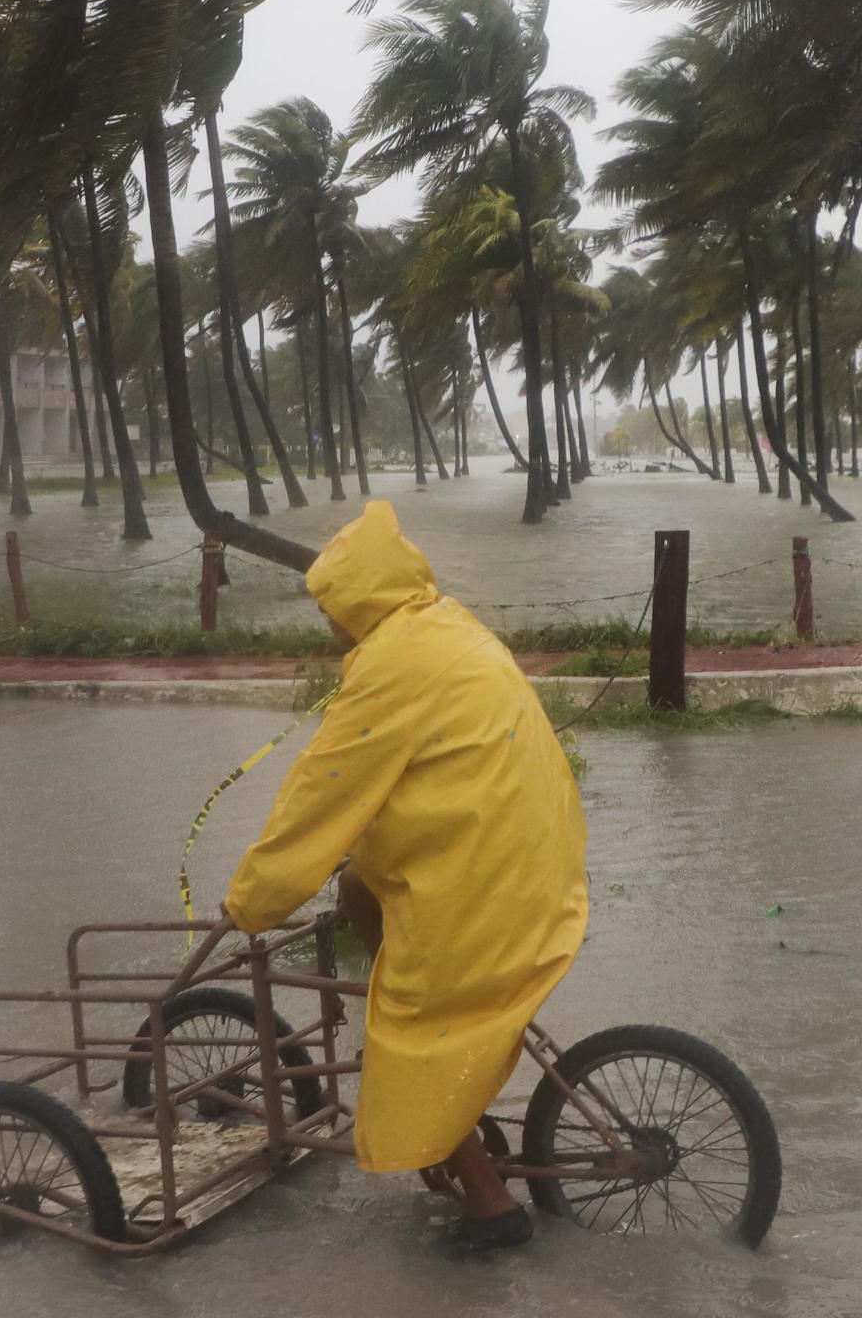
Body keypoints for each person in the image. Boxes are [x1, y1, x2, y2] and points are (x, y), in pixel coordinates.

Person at [223, 501, 588, 1252]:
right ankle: (459, 1102)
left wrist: (252, 903)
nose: (327, 624)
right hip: (535, 856)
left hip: (486, 880)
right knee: (358, 887)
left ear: (358, 600)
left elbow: (319, 796)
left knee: (407, 1038)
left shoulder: (390, 667)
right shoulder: (446, 624)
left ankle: (491, 1209)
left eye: (330, 607)